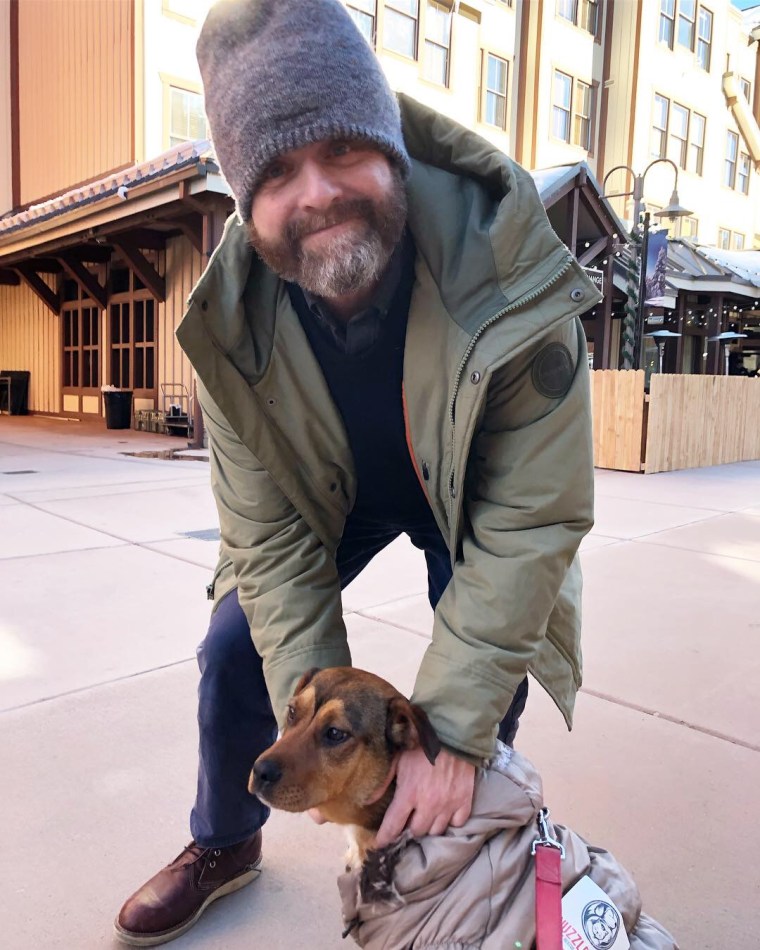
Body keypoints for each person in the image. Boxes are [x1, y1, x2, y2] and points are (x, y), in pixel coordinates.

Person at [114, 0, 598, 944]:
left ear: (391, 150)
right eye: (278, 171)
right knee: (231, 650)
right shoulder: (233, 329)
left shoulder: (511, 270)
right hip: (331, 503)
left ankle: (451, 841)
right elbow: (269, 545)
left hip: (472, 504)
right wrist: (313, 728)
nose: (318, 191)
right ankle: (225, 839)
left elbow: (530, 524)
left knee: (484, 674)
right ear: (248, 202)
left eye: (341, 149)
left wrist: (447, 730)